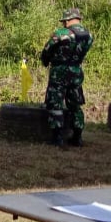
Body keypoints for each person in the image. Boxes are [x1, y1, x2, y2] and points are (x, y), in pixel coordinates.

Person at [40, 8, 92, 147]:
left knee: (55, 103)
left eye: (65, 21)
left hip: (59, 71)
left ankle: (57, 138)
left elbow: (47, 49)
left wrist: (45, 61)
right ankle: (77, 137)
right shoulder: (88, 35)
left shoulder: (62, 34)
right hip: (76, 71)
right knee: (75, 105)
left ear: (69, 20)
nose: (64, 24)